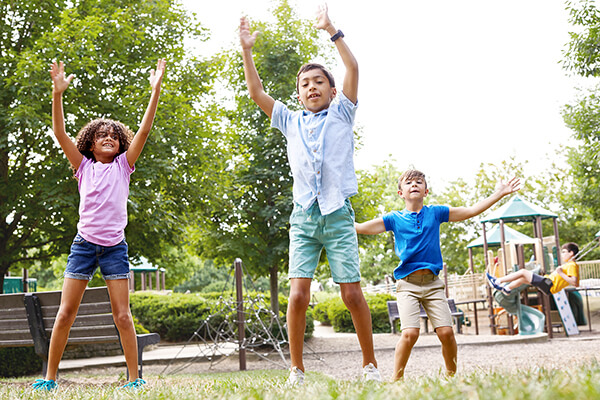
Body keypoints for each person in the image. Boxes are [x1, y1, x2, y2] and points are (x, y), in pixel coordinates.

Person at [239, 5, 380, 385]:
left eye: (319, 82)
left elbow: (353, 68)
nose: (312, 87)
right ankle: (296, 371)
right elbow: (256, 91)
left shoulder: (342, 114)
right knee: (298, 295)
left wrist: (331, 29)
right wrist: (247, 50)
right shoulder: (289, 120)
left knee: (351, 294)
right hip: (303, 216)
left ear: (332, 91)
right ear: (298, 94)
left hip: (337, 214)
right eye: (305, 84)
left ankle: (369, 366)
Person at [32, 59, 166, 392]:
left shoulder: (124, 165)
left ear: (121, 143)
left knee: (123, 316)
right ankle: (49, 379)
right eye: (101, 135)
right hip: (83, 245)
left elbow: (145, 130)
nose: (108, 137)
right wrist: (57, 93)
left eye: (113, 135)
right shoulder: (83, 167)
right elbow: (60, 132)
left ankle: (134, 379)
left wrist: (155, 90)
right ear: (90, 144)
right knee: (65, 314)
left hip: (113, 248)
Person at [355, 170, 521, 380]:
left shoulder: (436, 213)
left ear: (426, 191)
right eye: (408, 183)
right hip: (408, 284)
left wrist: (499, 193)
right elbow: (360, 228)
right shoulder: (394, 219)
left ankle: (451, 378)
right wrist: (337, 218)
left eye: (418, 182)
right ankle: (397, 381)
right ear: (400, 192)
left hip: (433, 284)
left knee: (446, 333)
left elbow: (470, 211)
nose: (414, 184)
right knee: (410, 333)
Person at [487, 242, 580, 295]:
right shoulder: (569, 264)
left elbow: (574, 283)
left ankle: (497, 281)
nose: (562, 254)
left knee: (523, 272)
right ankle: (507, 289)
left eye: (564, 252)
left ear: (571, 253)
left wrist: (560, 273)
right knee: (523, 279)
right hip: (548, 283)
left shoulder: (572, 265)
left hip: (549, 284)